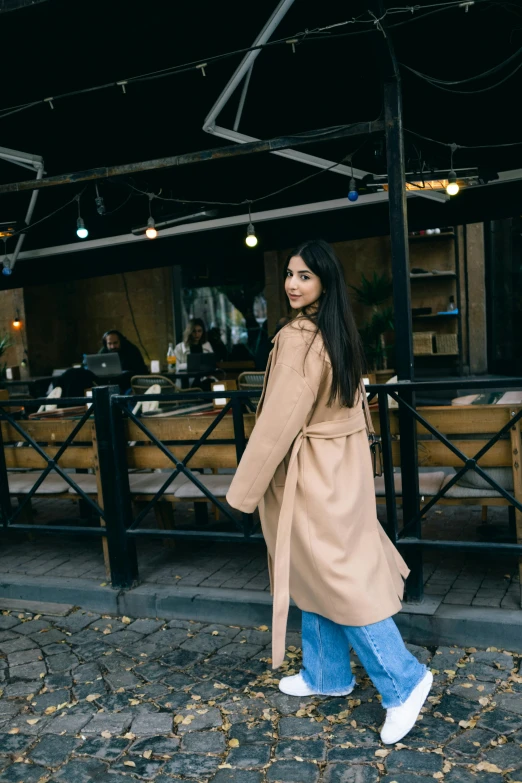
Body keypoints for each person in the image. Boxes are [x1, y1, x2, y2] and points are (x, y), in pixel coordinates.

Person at [226, 239, 432, 745]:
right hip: (341, 469)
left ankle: (405, 681)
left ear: (323, 283)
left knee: (338, 577)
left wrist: (243, 492)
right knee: (316, 570)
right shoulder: (336, 329)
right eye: (291, 274)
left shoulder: (298, 337)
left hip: (312, 474)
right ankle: (326, 674)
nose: (292, 284)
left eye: (304, 276)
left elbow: (277, 423)